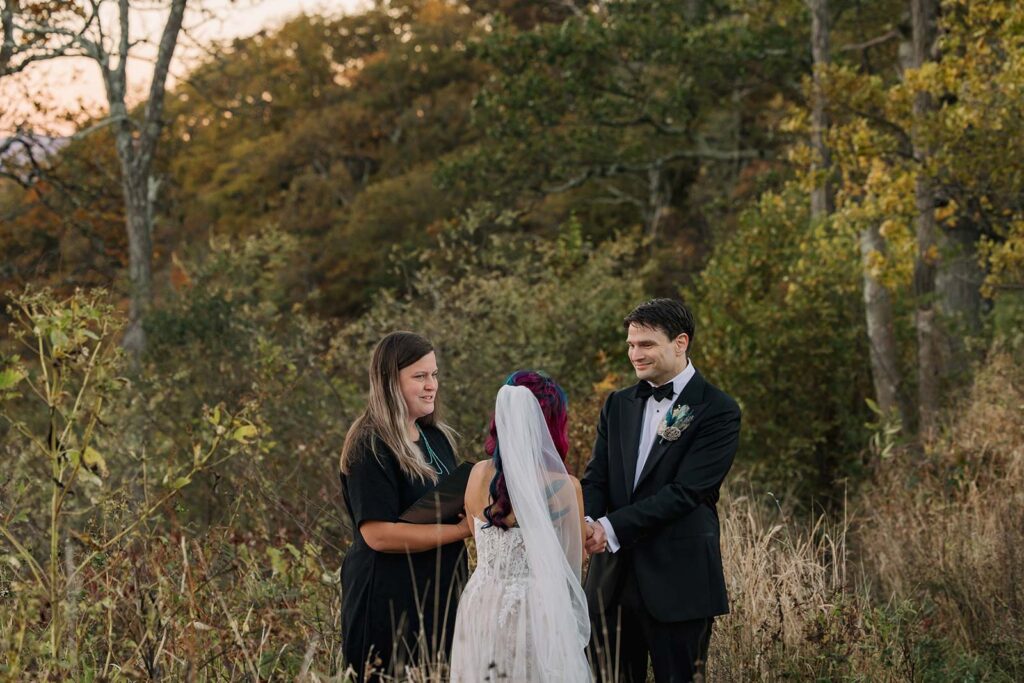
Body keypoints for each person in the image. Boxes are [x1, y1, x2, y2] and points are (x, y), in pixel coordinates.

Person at [582, 298, 741, 683]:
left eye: (646, 345)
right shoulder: (617, 404)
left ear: (680, 342)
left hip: (679, 584)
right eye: (631, 345)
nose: (635, 354)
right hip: (610, 586)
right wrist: (586, 520)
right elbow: (597, 476)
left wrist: (609, 528)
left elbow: (687, 492)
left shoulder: (717, 409)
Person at [338, 331, 471, 681]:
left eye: (435, 374)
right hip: (389, 598)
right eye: (420, 376)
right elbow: (378, 534)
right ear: (389, 382)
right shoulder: (370, 444)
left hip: (440, 595)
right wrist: (458, 530)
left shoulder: (436, 437)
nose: (432, 385)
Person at [450, 371, 591, 682]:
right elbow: (574, 563)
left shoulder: (477, 475)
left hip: (481, 604)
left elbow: (480, 539)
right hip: (537, 610)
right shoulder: (566, 487)